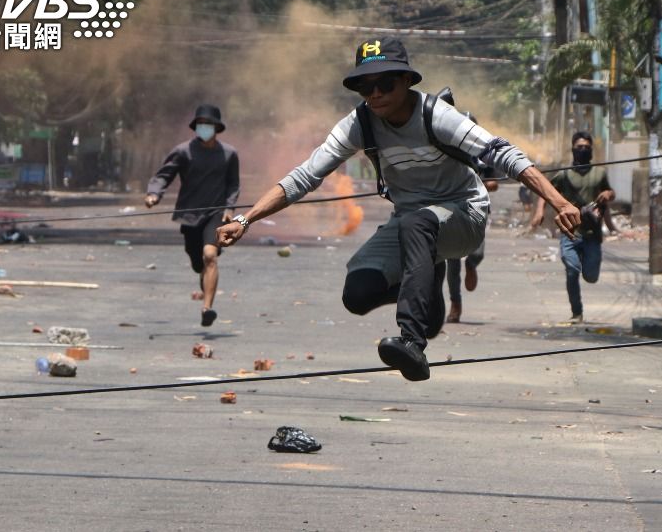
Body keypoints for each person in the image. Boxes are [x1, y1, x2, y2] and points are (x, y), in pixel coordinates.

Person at [217, 38, 580, 381]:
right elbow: (306, 175)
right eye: (365, 87)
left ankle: (413, 345)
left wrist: (559, 201)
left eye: (385, 84)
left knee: (418, 223)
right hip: (411, 222)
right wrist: (245, 219)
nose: (375, 94)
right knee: (357, 295)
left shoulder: (435, 115)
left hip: (463, 215)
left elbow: (504, 153)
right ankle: (426, 287)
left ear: (406, 80)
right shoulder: (360, 124)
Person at [146, 104, 240, 328]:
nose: (204, 128)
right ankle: (204, 276)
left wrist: (229, 208)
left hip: (215, 214)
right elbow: (164, 175)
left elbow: (233, 184)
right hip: (189, 215)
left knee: (210, 255)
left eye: (208, 124)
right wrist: (153, 194)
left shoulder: (229, 154)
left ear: (217, 128)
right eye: (200, 124)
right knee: (199, 263)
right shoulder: (183, 151)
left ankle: (207, 308)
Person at [529, 131, 615, 323]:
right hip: (570, 233)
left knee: (591, 277)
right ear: (573, 149)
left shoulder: (599, 174)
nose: (583, 150)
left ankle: (586, 261)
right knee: (571, 270)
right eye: (579, 147)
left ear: (591, 150)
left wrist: (608, 194)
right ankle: (577, 312)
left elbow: (610, 193)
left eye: (586, 147)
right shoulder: (564, 175)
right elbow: (546, 191)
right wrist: (539, 212)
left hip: (592, 234)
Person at [445, 112, 498, 324]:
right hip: (451, 212)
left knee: (477, 252)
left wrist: (477, 186)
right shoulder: (446, 153)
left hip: (477, 210)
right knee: (452, 262)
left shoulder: (483, 155)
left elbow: (494, 183)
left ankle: (472, 265)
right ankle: (455, 305)